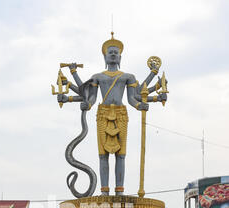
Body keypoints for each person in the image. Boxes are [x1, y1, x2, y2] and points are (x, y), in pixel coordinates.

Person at [58, 33, 167, 195]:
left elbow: (132, 98)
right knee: (103, 155)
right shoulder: (98, 77)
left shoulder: (127, 77)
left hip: (121, 114)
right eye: (111, 52)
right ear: (105, 57)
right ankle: (104, 191)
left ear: (121, 57)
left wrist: (141, 105)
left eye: (116, 52)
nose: (114, 54)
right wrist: (82, 103)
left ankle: (119, 190)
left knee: (120, 154)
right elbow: (92, 97)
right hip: (102, 114)